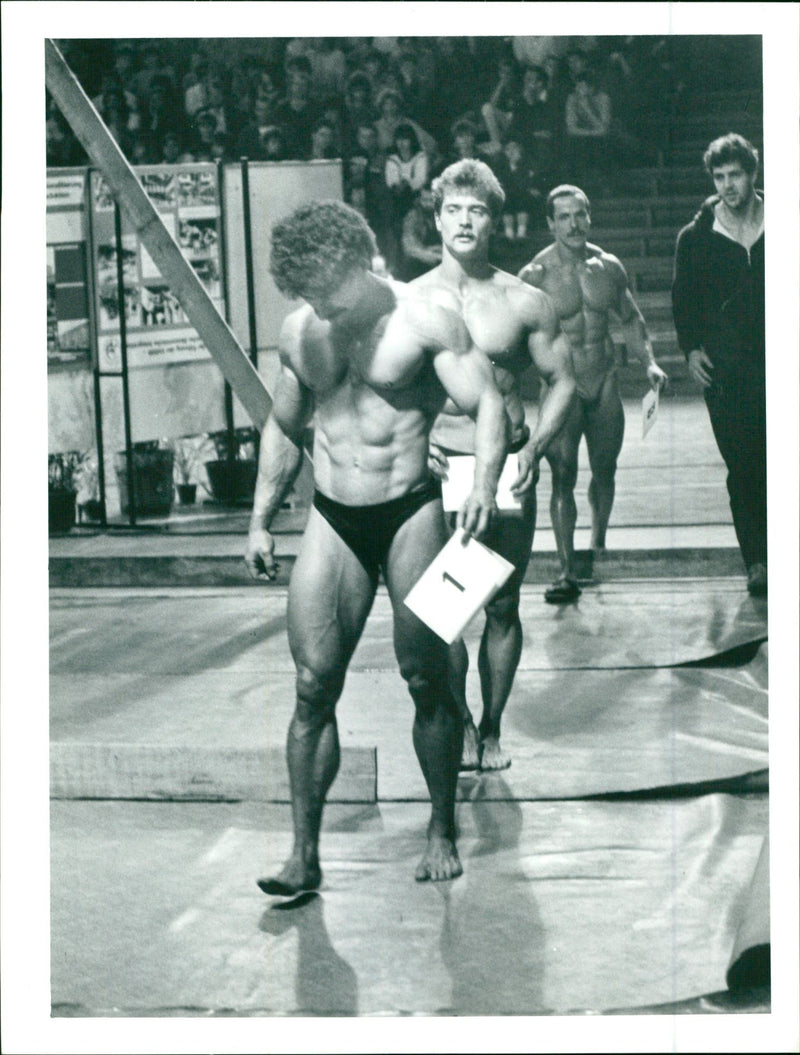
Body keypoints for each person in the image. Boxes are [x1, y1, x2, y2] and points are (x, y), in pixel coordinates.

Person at [245, 200, 507, 890]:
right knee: (311, 685)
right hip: (334, 516)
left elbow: (489, 406)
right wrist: (259, 517)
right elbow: (282, 425)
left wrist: (483, 482)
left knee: (427, 675)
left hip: (413, 509)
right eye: (306, 296)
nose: (318, 308)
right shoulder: (303, 332)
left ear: (358, 267)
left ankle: (442, 824)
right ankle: (303, 853)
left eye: (325, 293)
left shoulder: (425, 319)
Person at [411, 160, 575, 770]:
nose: (463, 220)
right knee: (444, 612)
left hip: (507, 466)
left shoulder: (524, 301)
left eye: (475, 210)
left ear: (493, 221)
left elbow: (562, 380)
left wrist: (533, 448)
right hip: (438, 469)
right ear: (436, 218)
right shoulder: (413, 301)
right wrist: (413, 436)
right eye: (453, 209)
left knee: (500, 606)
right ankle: (459, 729)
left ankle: (493, 728)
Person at [519, 185, 668, 603]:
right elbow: (513, 338)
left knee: (605, 469)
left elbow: (632, 320)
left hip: (603, 382)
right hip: (561, 389)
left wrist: (649, 362)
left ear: (590, 216)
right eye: (564, 217)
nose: (574, 224)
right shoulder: (535, 276)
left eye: (580, 214)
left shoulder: (608, 267)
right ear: (550, 223)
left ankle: (598, 543)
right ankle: (566, 570)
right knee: (562, 476)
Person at [671, 133, 766, 596]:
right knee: (743, 465)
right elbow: (682, 302)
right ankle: (758, 560)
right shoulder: (696, 237)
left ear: (753, 172)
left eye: (736, 174)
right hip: (727, 370)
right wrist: (690, 350)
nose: (728, 185)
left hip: (779, 360)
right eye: (720, 176)